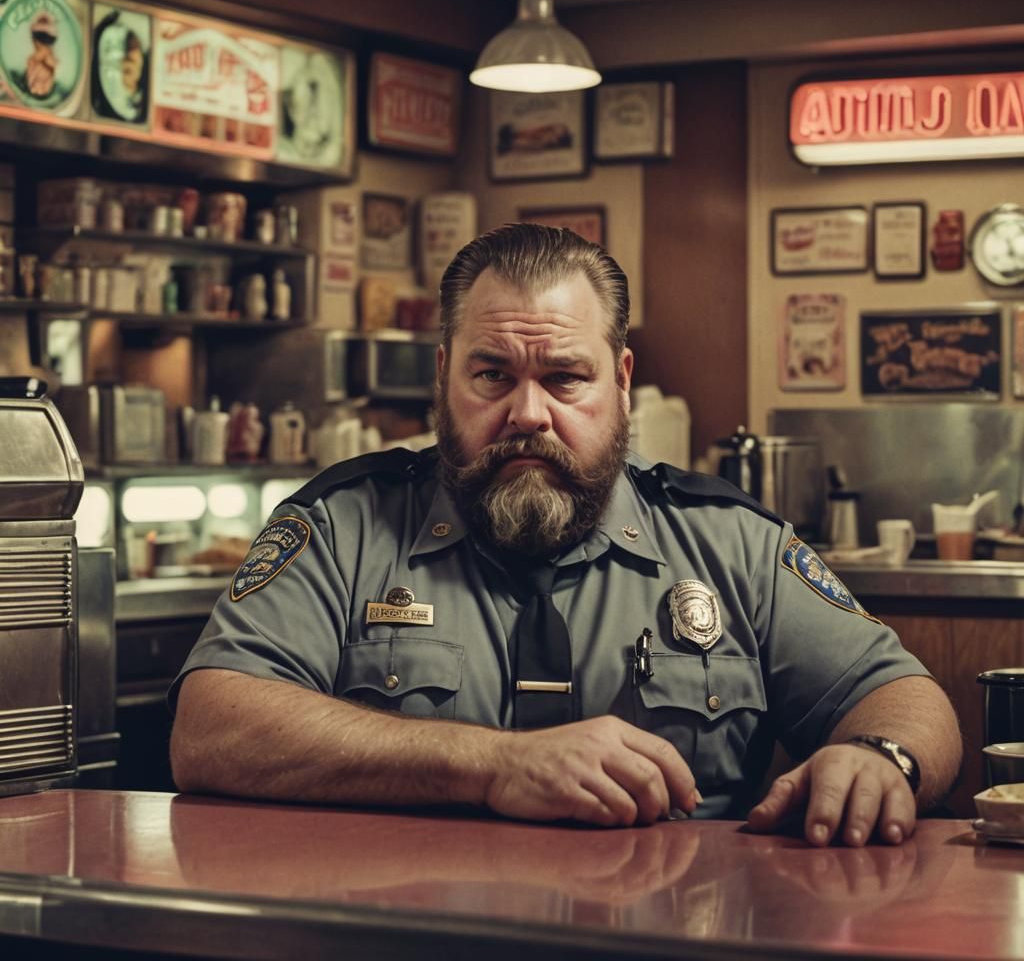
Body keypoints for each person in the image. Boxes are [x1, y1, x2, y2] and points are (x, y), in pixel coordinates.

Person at [170, 223, 961, 848]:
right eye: (492, 376)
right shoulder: (343, 528)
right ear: (443, 375)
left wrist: (878, 759)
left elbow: (905, 698)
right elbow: (211, 729)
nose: (528, 414)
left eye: (564, 377)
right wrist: (490, 765)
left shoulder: (729, 541)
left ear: (618, 382)